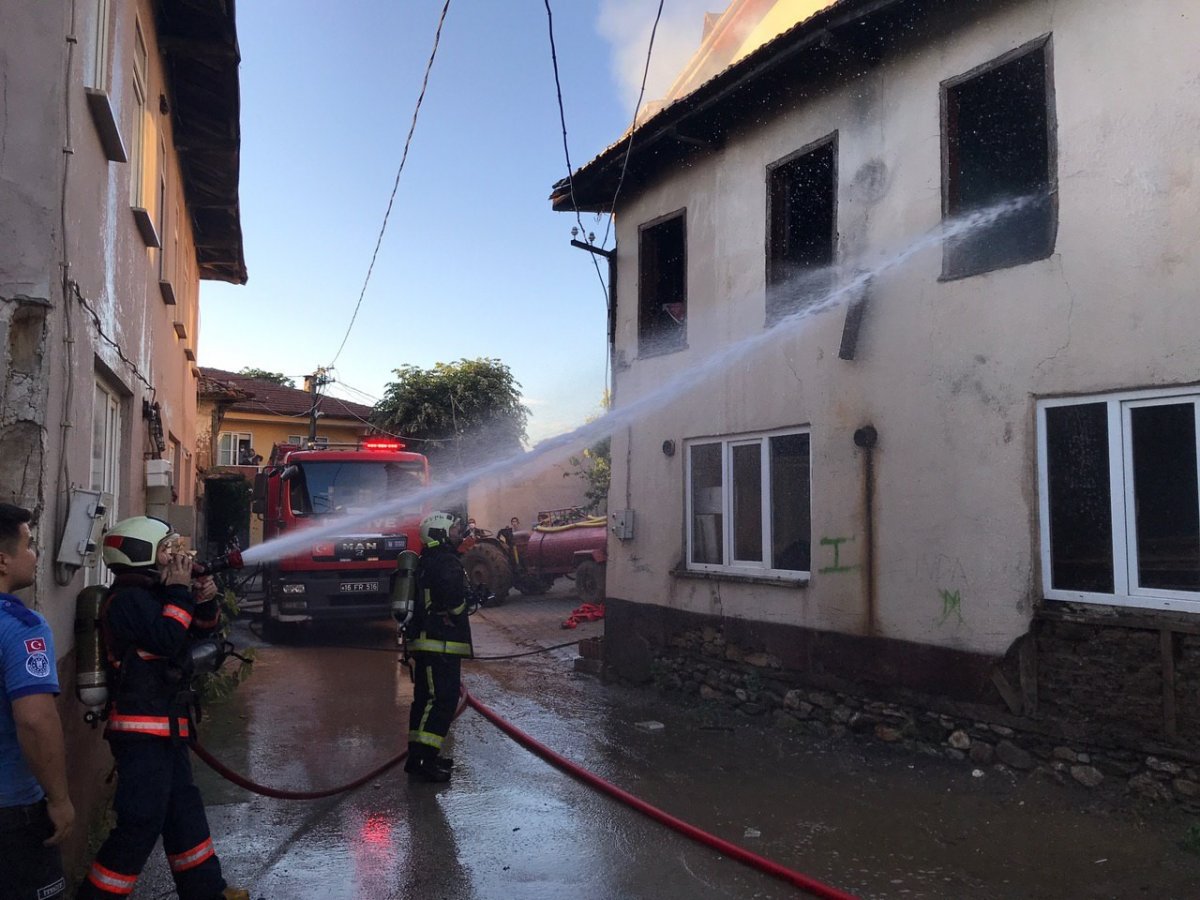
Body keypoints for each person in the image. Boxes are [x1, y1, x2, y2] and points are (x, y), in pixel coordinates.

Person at [77, 516, 248, 900]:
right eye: (168, 549)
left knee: (183, 812)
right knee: (140, 821)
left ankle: (206, 891)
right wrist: (180, 592)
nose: (178, 556)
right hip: (141, 732)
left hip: (167, 726)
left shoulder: (158, 594)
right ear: (141, 555)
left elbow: (197, 631)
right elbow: (167, 639)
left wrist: (203, 598)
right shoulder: (128, 600)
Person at [0, 503, 72, 900]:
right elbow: (35, 719)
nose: (35, 554)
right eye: (29, 545)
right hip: (12, 813)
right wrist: (59, 799)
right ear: (2, 561)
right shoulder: (22, 627)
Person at [403, 511, 473, 784]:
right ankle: (423, 762)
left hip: (430, 644)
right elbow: (454, 604)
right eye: (453, 530)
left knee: (425, 700)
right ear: (439, 533)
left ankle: (421, 757)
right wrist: (467, 602)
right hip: (439, 645)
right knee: (440, 701)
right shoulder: (445, 562)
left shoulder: (428, 561)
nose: (458, 534)